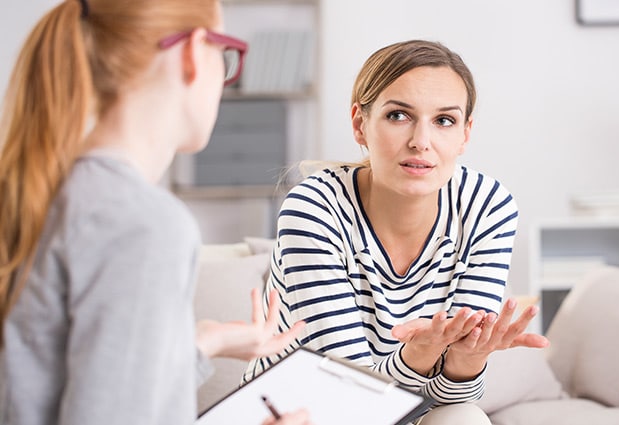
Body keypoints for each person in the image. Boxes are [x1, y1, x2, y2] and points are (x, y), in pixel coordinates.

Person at [0, 1, 308, 424]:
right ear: (193, 52)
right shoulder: (141, 223)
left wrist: (202, 341)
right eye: (226, 51)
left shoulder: (43, 191)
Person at [244, 40, 550, 424]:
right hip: (298, 413)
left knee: (464, 418)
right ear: (360, 124)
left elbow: (454, 397)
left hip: (395, 407)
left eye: (444, 121)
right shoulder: (315, 208)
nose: (421, 142)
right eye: (398, 116)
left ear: (465, 134)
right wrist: (420, 357)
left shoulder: (486, 205)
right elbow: (349, 394)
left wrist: (467, 360)